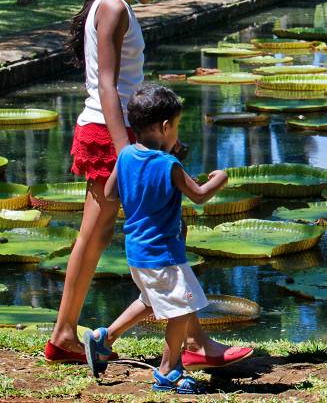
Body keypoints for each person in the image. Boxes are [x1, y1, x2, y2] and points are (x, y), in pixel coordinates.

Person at [48, 0, 248, 371]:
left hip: (117, 131)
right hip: (112, 134)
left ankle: (70, 334)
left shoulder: (112, 2)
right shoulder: (113, 7)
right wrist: (128, 152)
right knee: (140, 232)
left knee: (118, 233)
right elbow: (107, 85)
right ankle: (188, 343)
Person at [82, 85, 239, 393]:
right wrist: (221, 179)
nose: (176, 133)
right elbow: (199, 195)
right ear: (165, 127)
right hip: (163, 253)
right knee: (182, 307)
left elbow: (111, 193)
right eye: (176, 126)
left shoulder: (126, 155)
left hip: (137, 251)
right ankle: (168, 370)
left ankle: (103, 339)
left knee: (150, 300)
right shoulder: (169, 165)